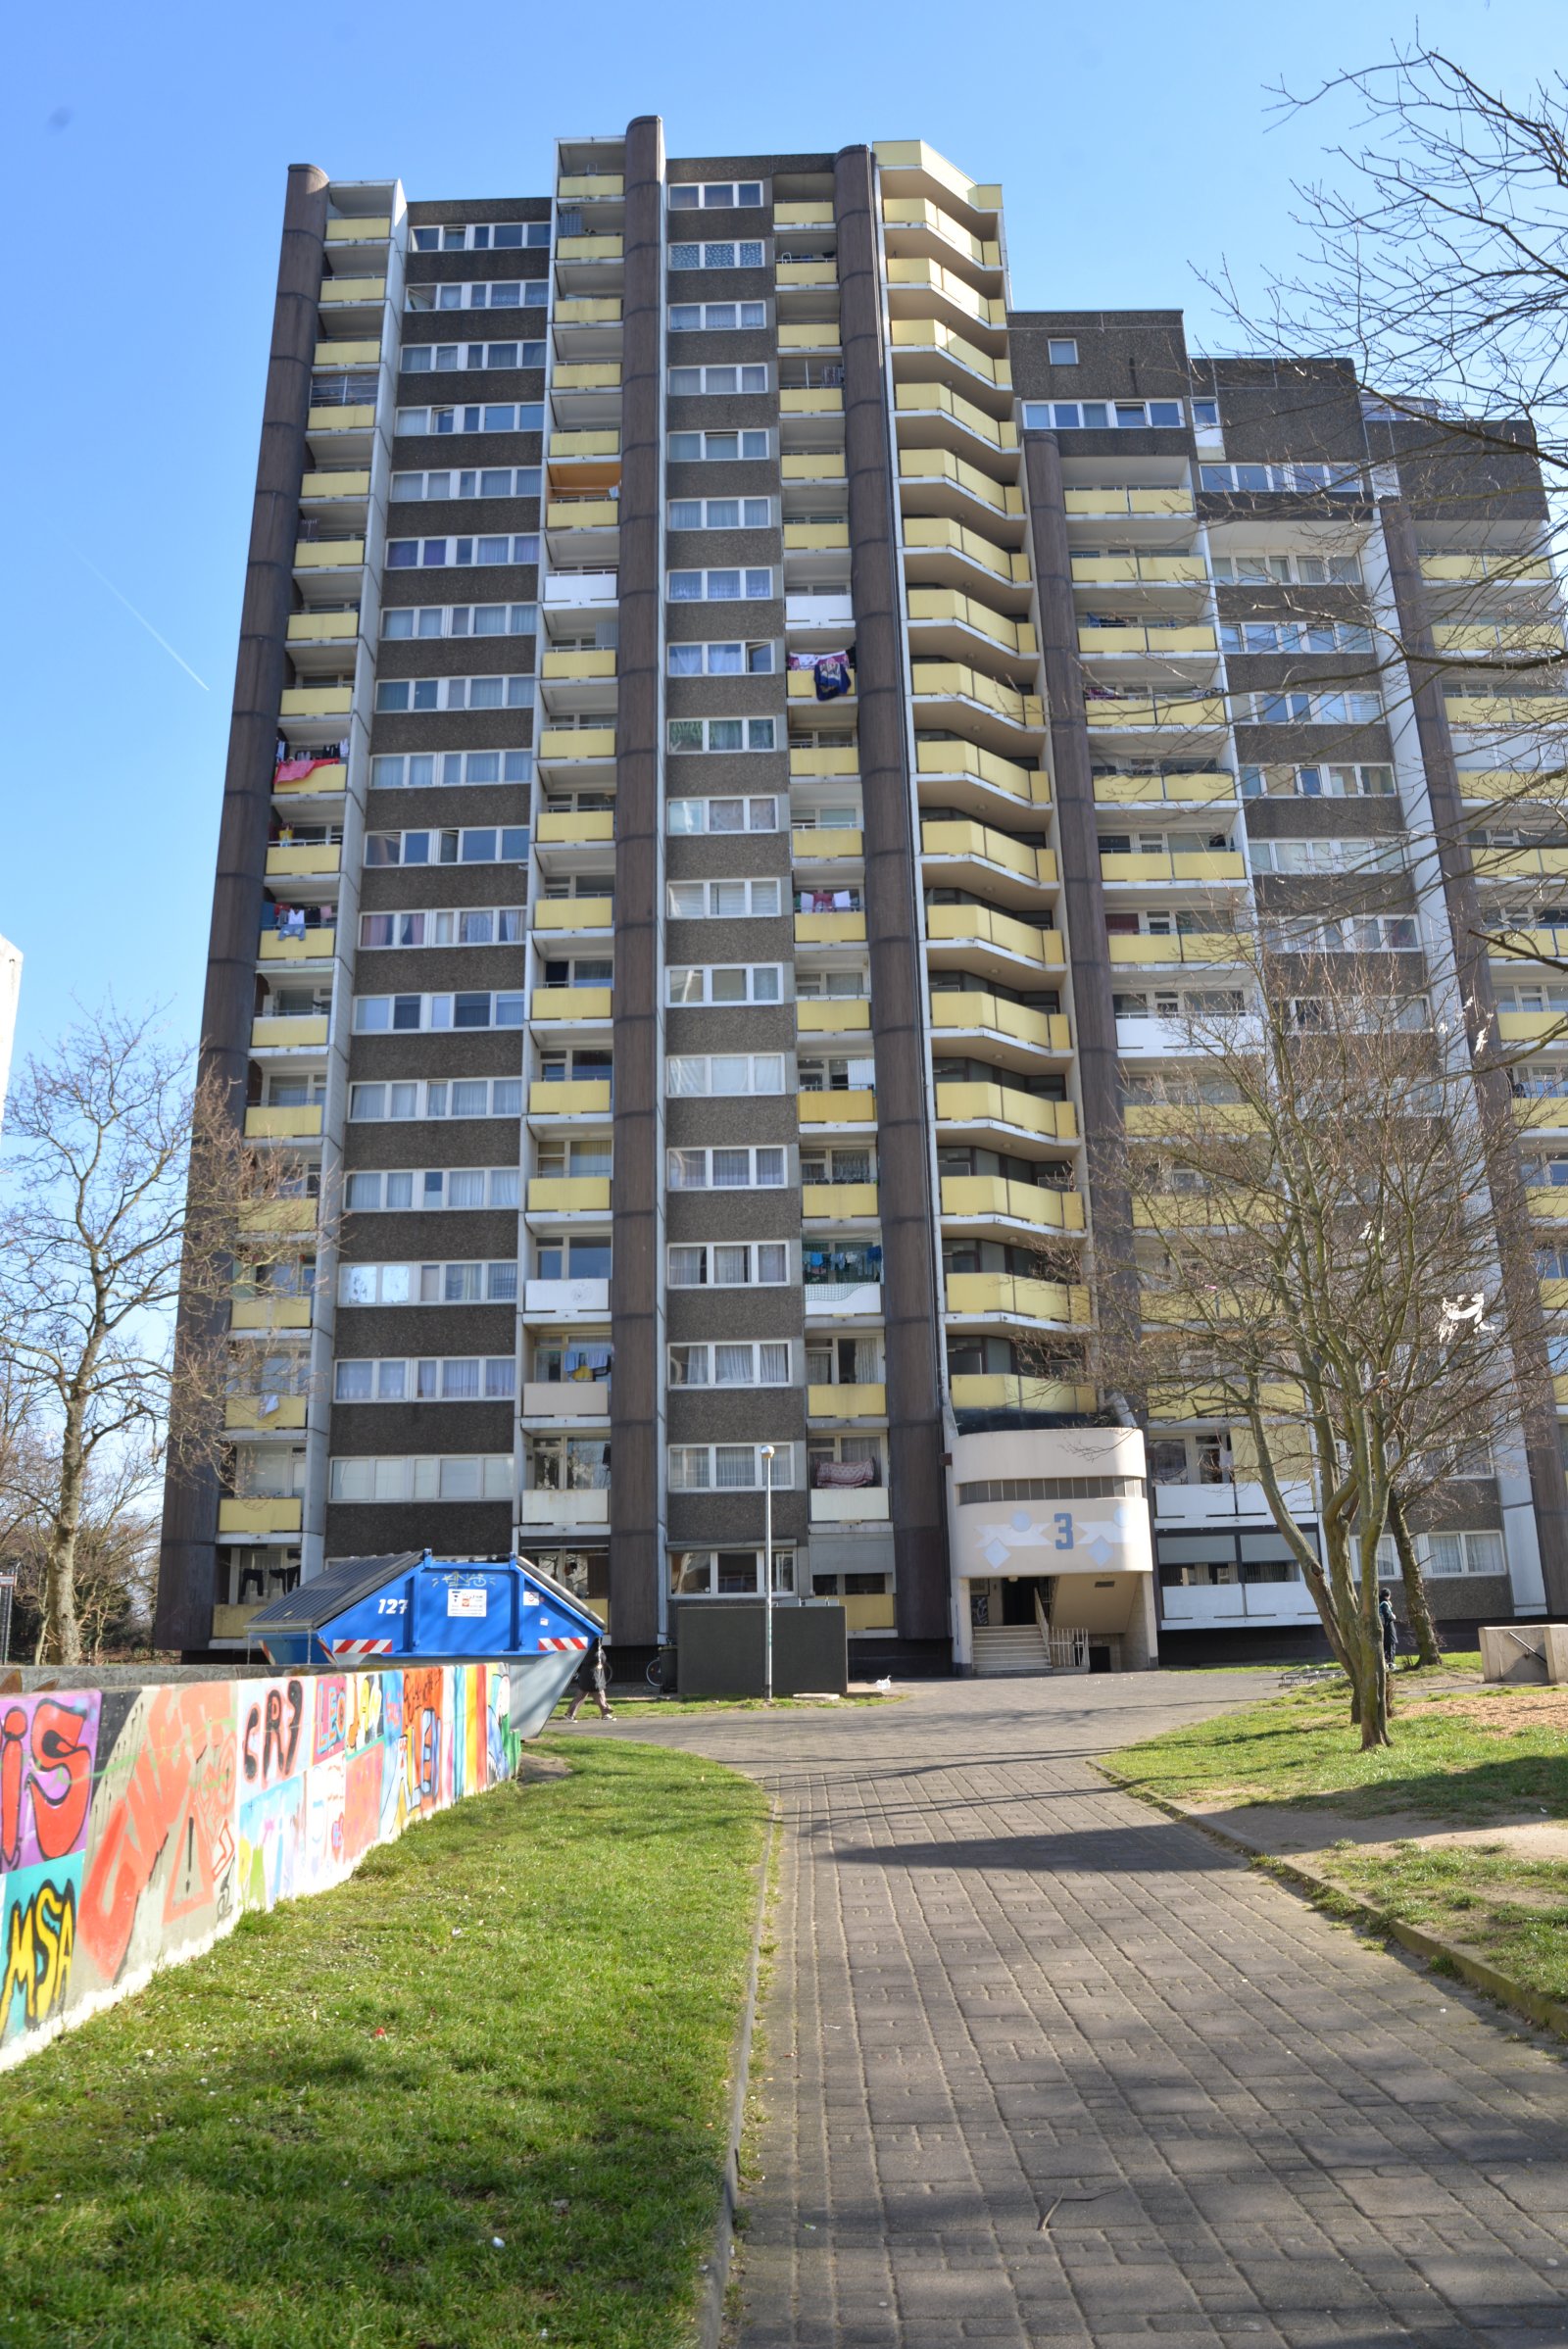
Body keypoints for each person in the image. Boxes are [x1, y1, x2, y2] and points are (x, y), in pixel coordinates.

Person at [564, 1639, 612, 1722]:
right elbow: (596, 1659)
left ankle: (570, 1714)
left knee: (582, 1694)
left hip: (592, 1672)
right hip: (592, 1673)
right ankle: (605, 1713)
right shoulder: (593, 1650)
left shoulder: (593, 1648)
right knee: (598, 1692)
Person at [1378, 1590, 1399, 1670]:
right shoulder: (1385, 1604)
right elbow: (1388, 1615)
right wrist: (1393, 1616)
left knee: (1385, 1647)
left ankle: (1386, 1664)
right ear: (1388, 1595)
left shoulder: (1378, 1603)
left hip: (1383, 1628)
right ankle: (1390, 1665)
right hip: (1388, 1628)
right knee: (1390, 1646)